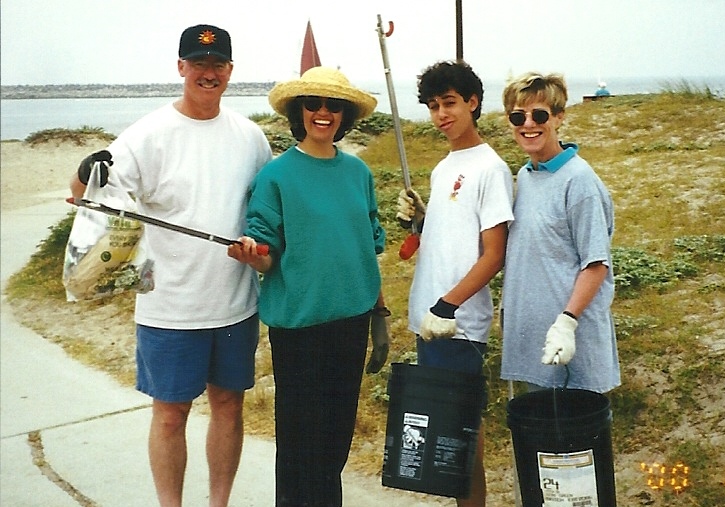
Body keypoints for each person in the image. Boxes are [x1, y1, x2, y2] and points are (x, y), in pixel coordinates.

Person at [69, 24, 273, 507]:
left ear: (230, 71)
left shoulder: (250, 137)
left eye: (217, 64)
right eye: (198, 64)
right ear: (181, 67)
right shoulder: (147, 134)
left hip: (235, 304)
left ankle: (218, 503)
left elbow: (268, 213)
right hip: (169, 308)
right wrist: (83, 171)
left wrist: (260, 250)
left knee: (228, 405)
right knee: (169, 415)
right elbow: (86, 198)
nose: (209, 73)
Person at [226, 66, 389, 507]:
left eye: (333, 105)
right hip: (300, 327)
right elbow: (266, 251)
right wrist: (252, 255)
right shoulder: (277, 176)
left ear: (345, 114)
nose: (323, 113)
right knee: (301, 445)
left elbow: (367, 249)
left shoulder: (359, 173)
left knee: (335, 440)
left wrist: (380, 314)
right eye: (313, 104)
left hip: (353, 321)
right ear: (299, 112)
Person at [396, 60, 514, 507]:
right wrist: (422, 219)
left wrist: (448, 306)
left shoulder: (491, 168)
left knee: (460, 440)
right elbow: (449, 236)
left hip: (457, 324)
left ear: (472, 102)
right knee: (443, 442)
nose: (441, 114)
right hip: (429, 318)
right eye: (432, 106)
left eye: (449, 103)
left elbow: (494, 253)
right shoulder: (445, 166)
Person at [499, 71, 620, 395]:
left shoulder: (579, 181)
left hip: (571, 344)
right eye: (518, 116)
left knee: (578, 441)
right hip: (533, 344)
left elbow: (596, 264)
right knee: (538, 441)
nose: (528, 124)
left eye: (539, 115)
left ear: (559, 117)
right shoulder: (525, 176)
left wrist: (567, 322)